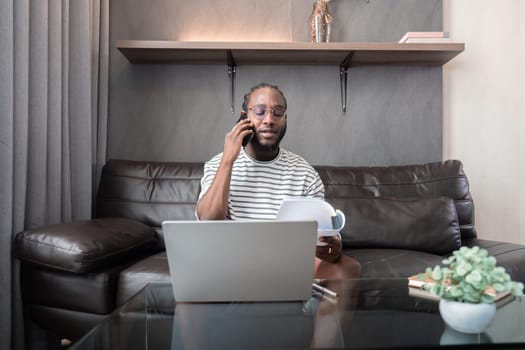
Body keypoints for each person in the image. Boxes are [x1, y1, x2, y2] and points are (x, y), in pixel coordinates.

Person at [196, 82, 360, 279]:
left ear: (285, 118)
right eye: (259, 111)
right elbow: (207, 222)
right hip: (231, 265)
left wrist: (334, 244)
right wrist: (228, 161)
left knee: (348, 269)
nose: (269, 120)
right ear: (244, 117)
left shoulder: (305, 173)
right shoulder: (218, 165)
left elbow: (322, 233)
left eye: (277, 112)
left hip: (289, 266)